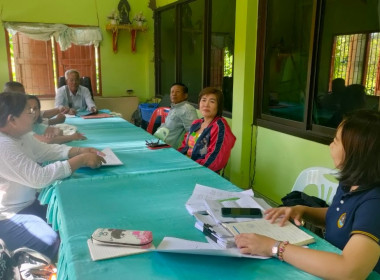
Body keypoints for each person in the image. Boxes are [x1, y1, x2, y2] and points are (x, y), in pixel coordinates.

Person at [235, 110, 380, 278]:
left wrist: (275, 247)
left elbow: (350, 270)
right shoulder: (352, 183)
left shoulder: (374, 203)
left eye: (335, 141)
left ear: (357, 153)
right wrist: (303, 210)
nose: (330, 145)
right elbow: (340, 217)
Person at [0, 92, 106, 260]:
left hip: (28, 203)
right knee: (50, 242)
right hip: (8, 215)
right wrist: (80, 160)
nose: (34, 115)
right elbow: (39, 177)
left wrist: (79, 150)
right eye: (28, 111)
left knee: (71, 216)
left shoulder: (20, 135)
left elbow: (46, 151)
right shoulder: (3, 145)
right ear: (12, 120)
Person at [178, 87, 236, 173]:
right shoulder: (196, 123)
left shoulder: (220, 127)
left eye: (212, 101)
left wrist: (189, 168)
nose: (206, 105)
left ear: (219, 106)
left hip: (200, 173)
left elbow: (214, 162)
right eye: (203, 100)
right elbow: (185, 147)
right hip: (185, 166)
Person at [154, 83, 198, 148]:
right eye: (172, 92)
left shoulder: (187, 109)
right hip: (159, 141)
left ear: (185, 95)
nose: (174, 94)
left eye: (177, 92)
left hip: (169, 148)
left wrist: (188, 151)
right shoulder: (175, 106)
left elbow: (194, 131)